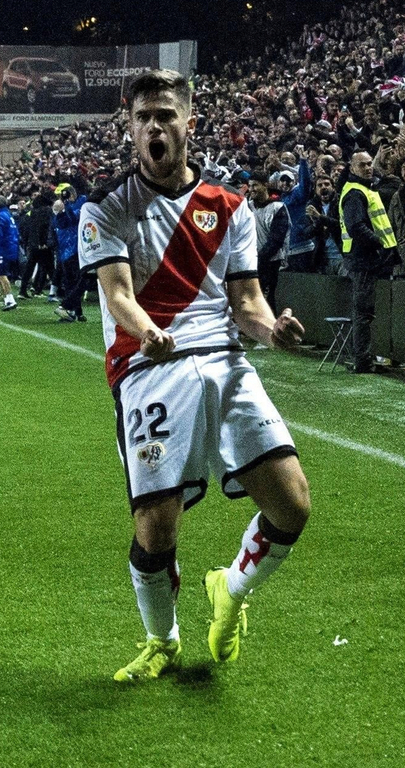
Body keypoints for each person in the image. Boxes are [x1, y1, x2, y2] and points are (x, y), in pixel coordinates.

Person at [78, 70, 311, 683]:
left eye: (165, 115)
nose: (154, 127)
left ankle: (230, 588)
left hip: (225, 363)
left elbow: (248, 301)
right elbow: (118, 293)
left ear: (189, 122)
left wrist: (272, 330)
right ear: (129, 127)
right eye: (143, 118)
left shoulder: (231, 207)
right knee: (156, 530)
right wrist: (147, 331)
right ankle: (162, 640)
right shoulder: (106, 208)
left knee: (292, 504)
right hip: (149, 367)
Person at [339, 150, 399, 373]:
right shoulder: (356, 193)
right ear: (352, 168)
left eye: (369, 164)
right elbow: (356, 228)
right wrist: (380, 244)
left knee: (364, 312)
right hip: (365, 260)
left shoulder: (361, 189)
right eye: (362, 165)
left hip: (365, 259)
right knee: (363, 313)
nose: (368, 168)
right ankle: (363, 361)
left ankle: (365, 358)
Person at [248, 175, 290, 316]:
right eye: (250, 185)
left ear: (265, 185)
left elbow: (276, 240)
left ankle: (270, 327)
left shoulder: (278, 208)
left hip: (271, 260)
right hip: (253, 258)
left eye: (255, 185)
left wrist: (259, 258)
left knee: (266, 295)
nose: (251, 189)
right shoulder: (249, 205)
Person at [52, 191, 88, 322]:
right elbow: (73, 218)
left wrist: (65, 205)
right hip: (73, 252)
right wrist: (66, 205)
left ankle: (75, 312)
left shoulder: (59, 217)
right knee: (79, 281)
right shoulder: (63, 216)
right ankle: (70, 309)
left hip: (66, 254)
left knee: (72, 283)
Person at [0, 196, 20, 311]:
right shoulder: (6, 214)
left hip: (4, 249)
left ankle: (10, 300)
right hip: (7, 248)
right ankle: (7, 299)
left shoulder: (0, 216)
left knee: (1, 275)